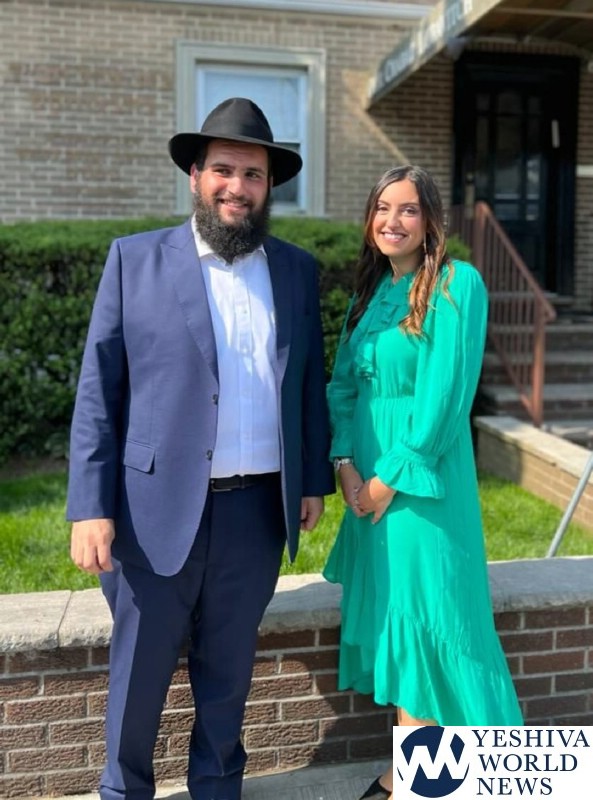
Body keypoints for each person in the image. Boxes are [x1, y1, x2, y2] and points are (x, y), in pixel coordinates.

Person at [66, 97, 335, 800]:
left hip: (255, 514)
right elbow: (99, 391)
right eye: (223, 170)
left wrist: (310, 479)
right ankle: (124, 791)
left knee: (228, 679)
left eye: (253, 174)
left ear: (269, 186)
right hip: (151, 513)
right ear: (195, 174)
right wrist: (89, 507)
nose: (237, 187)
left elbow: (308, 382)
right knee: (139, 678)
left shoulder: (295, 271)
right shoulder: (133, 260)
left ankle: (217, 789)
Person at [323, 165, 523, 800]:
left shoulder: (457, 284)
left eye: (407, 209)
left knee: (435, 622)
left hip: (422, 489)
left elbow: (444, 402)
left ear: (431, 220)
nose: (393, 221)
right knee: (401, 623)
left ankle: (425, 780)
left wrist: (386, 483)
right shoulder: (368, 295)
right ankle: (418, 777)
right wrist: (346, 466)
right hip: (367, 489)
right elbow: (341, 390)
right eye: (382, 208)